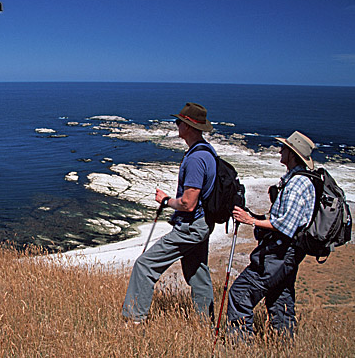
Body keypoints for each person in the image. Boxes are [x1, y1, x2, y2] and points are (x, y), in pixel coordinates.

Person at [122, 102, 217, 323]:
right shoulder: (206, 151)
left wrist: (165, 201)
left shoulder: (195, 159)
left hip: (190, 226)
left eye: (179, 122)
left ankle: (134, 320)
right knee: (197, 274)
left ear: (189, 127)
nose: (176, 125)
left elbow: (188, 203)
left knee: (144, 265)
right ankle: (206, 322)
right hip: (202, 223)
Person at [227, 131, 316, 338]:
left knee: (240, 295)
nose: (280, 151)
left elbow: (286, 225)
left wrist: (251, 221)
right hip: (289, 254)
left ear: (292, 154)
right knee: (280, 297)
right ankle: (283, 345)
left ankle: (241, 347)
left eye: (284, 148)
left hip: (280, 252)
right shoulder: (300, 180)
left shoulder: (296, 184)